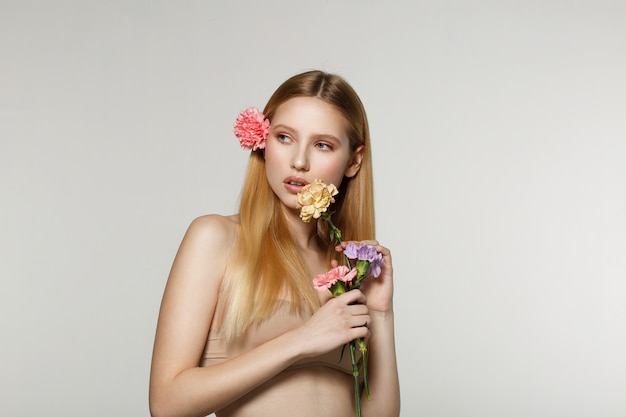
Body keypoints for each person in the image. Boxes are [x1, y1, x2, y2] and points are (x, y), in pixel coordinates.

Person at [149, 70, 400, 417]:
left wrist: (381, 313)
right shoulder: (216, 239)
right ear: (263, 142)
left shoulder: (343, 270)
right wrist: (301, 341)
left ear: (353, 160)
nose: (299, 161)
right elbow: (166, 403)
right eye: (285, 137)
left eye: (322, 144)